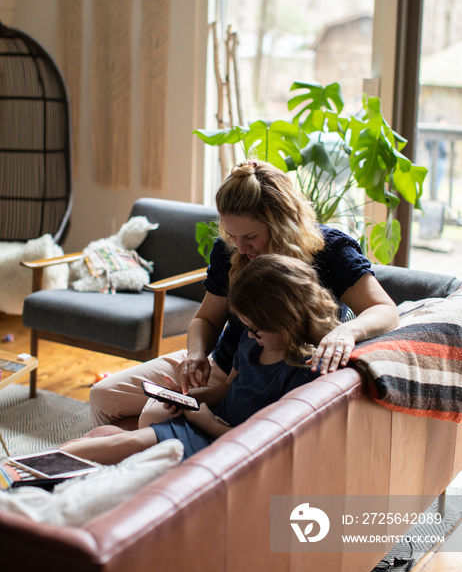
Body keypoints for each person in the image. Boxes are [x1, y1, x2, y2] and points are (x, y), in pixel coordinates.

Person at [90, 159, 399, 430]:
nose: (241, 247)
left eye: (251, 237)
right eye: (233, 236)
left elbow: (385, 309)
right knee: (102, 396)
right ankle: (132, 458)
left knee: (153, 418)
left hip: (268, 377)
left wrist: (348, 331)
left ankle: (145, 462)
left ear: (282, 223)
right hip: (222, 365)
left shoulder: (330, 250)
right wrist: (197, 356)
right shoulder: (231, 251)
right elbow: (207, 318)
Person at [61, 254, 341, 464]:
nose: (251, 335)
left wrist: (207, 423)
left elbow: (265, 442)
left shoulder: (304, 371)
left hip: (224, 442)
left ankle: (20, 470)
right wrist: (189, 399)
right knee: (99, 436)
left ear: (287, 320)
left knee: (122, 443)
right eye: (247, 328)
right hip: (207, 424)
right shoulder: (251, 344)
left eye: (257, 329)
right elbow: (226, 389)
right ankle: (36, 472)